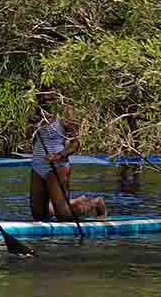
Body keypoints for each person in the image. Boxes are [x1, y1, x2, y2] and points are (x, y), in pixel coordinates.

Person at [28, 87, 106, 221]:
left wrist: (58, 156)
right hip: (37, 166)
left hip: (58, 166)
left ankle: (95, 203)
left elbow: (75, 144)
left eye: (48, 97)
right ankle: (70, 202)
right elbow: (31, 139)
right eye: (41, 97)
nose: (44, 100)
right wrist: (32, 125)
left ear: (56, 96)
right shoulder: (37, 114)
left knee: (64, 216)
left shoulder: (65, 115)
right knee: (38, 215)